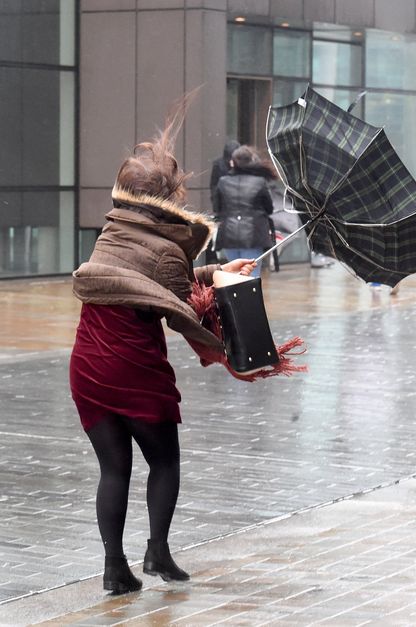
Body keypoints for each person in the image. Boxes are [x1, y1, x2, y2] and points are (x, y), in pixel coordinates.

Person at [69, 113, 255, 595]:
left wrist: (214, 271)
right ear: (166, 201)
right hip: (133, 367)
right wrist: (226, 334)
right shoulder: (168, 252)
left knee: (114, 468)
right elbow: (177, 303)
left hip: (88, 366)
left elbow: (161, 282)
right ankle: (158, 551)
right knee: (165, 463)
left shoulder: (111, 233)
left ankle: (115, 567)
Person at [214, 145, 276, 277]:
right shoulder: (260, 182)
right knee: (251, 277)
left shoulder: (222, 182)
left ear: (233, 162)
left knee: (233, 276)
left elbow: (217, 209)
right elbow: (269, 208)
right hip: (253, 236)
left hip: (229, 235)